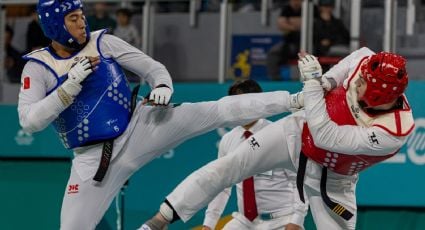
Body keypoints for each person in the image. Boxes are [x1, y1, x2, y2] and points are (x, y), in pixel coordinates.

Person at [17, 1, 304, 229]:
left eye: (82, 15)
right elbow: (30, 122)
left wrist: (163, 86)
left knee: (216, 110)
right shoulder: (38, 66)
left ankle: (294, 100)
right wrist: (69, 85)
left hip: (143, 122)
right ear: (56, 24)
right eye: (73, 18)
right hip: (94, 160)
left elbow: (153, 69)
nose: (82, 22)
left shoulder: (103, 43)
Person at [141, 47, 414, 230]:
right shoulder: (368, 63)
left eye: (364, 82)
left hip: (332, 179)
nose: (357, 81)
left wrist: (310, 84)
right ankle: (159, 219)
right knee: (229, 165)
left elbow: (325, 135)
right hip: (295, 132)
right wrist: (327, 82)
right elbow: (355, 60)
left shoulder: (392, 132)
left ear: (379, 96)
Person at [201, 80, 308, 230]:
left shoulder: (279, 135)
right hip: (244, 221)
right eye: (234, 104)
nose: (238, 109)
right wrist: (209, 224)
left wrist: (297, 220)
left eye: (243, 103)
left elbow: (300, 180)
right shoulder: (228, 140)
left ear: (259, 102)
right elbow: (222, 185)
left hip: (282, 220)